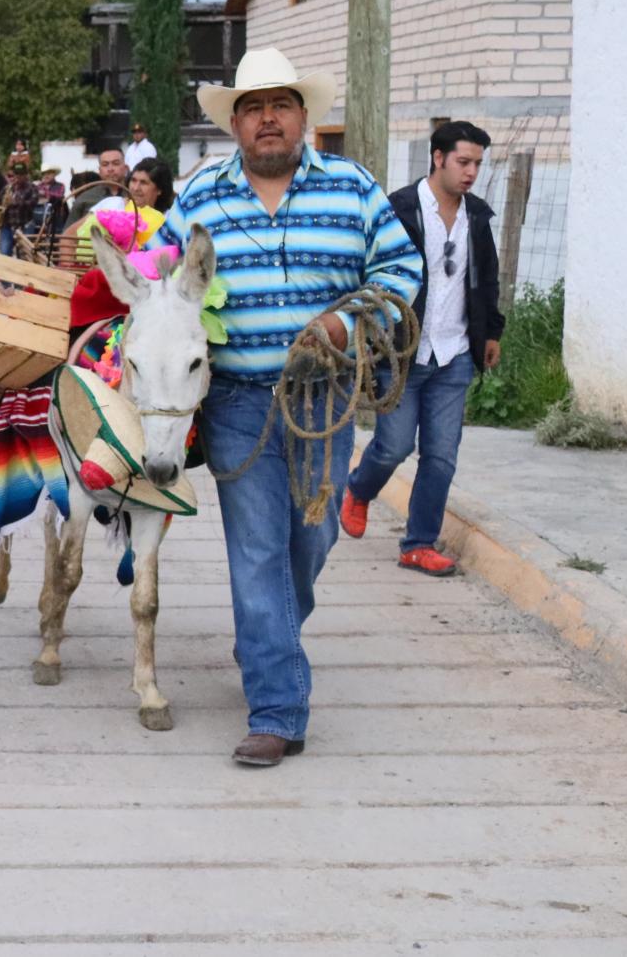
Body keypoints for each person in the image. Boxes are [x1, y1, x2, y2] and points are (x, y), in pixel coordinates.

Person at [156, 48, 421, 768]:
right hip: (239, 401)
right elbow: (159, 274)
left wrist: (343, 324)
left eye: (280, 104)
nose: (267, 118)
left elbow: (401, 271)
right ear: (235, 124)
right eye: (252, 107)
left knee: (312, 542)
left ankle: (264, 637)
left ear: (303, 117)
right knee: (258, 551)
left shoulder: (353, 188)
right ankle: (276, 708)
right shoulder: (201, 196)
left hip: (325, 400)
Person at [343, 121, 504, 577]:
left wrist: (491, 333)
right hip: (403, 352)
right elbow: (372, 272)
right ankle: (358, 490)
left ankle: (418, 543)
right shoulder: (400, 209)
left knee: (441, 455)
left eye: (477, 163)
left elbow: (487, 280)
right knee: (393, 446)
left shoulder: (478, 218)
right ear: (438, 158)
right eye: (463, 162)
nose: (471, 172)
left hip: (454, 353)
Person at [65, 145, 129, 232]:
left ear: (125, 168)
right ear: (99, 170)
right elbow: (67, 236)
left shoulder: (135, 195)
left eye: (116, 163)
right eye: (105, 164)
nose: (110, 169)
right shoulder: (85, 198)